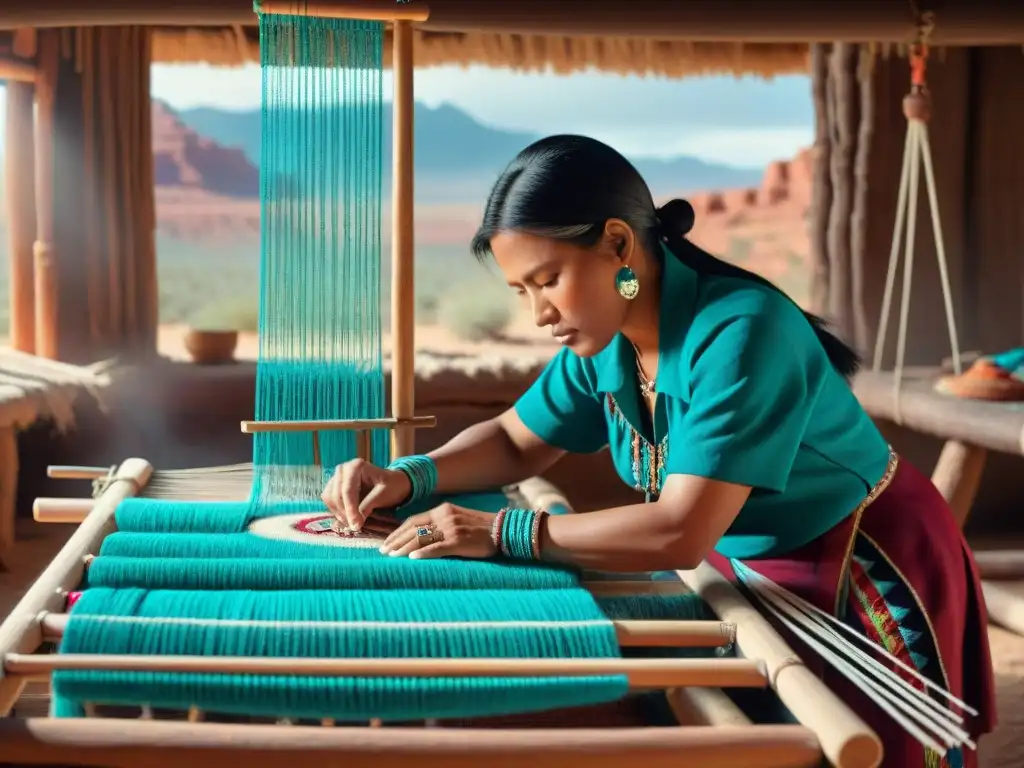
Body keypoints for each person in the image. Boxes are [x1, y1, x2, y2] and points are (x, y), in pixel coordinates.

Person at [322, 134, 996, 766]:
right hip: (746, 560)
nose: (539, 315)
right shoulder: (605, 338)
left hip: (861, 561)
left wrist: (502, 531)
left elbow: (680, 529)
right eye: (521, 291)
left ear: (617, 243)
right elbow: (513, 440)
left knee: (869, 749)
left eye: (548, 279)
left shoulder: (740, 333)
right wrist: (408, 476)